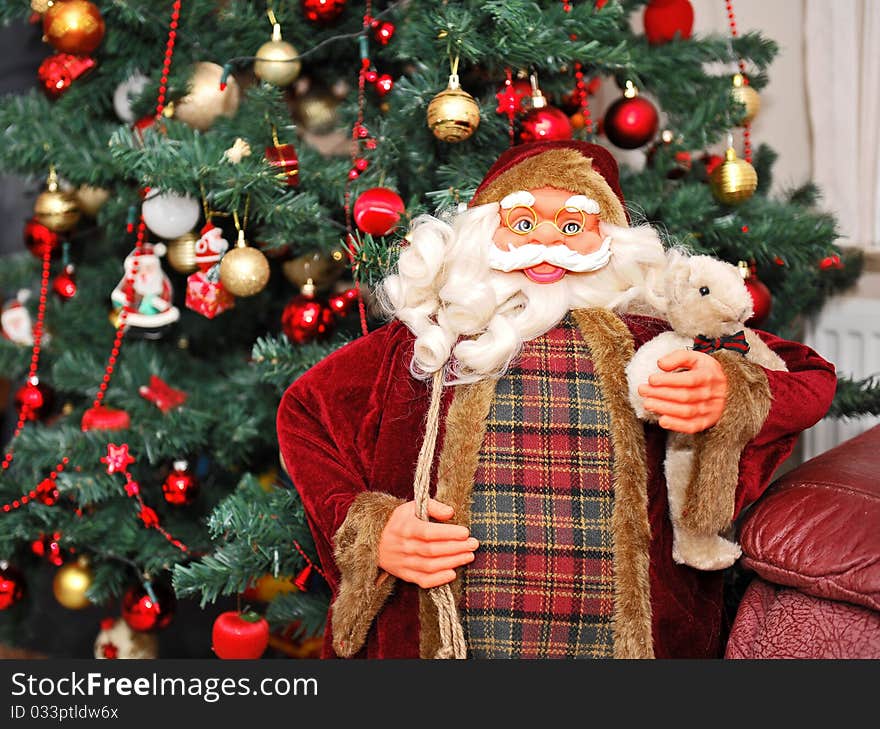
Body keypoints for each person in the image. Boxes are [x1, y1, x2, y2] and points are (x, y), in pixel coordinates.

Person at [276, 140, 836, 659]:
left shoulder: (657, 335)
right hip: (435, 635)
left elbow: (810, 378)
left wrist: (726, 389)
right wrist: (372, 529)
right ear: (479, 237)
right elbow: (305, 414)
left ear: (613, 243)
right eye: (522, 223)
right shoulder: (426, 340)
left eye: (573, 224)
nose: (548, 242)